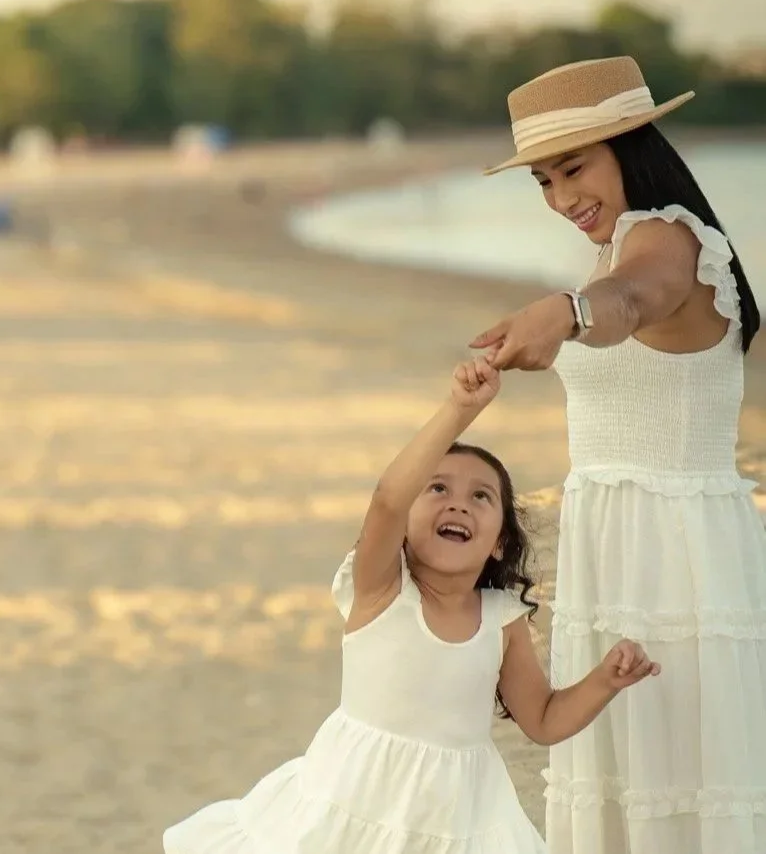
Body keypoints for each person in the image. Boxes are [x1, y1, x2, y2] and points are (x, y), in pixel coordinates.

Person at [163, 358, 659, 854]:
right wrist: (459, 410)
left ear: (499, 543)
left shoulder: (500, 618)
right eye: (437, 488)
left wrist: (605, 681)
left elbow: (545, 720)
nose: (458, 504)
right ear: (404, 522)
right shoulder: (382, 590)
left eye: (481, 496)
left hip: (459, 816)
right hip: (356, 799)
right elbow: (386, 499)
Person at [472, 55, 766, 853]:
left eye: (575, 169)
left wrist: (566, 313)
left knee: (676, 778)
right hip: (621, 544)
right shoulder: (618, 246)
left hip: (676, 558)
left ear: (631, 144)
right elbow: (616, 296)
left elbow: (630, 303)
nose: (562, 198)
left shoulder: (667, 238)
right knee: (635, 777)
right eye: (543, 181)